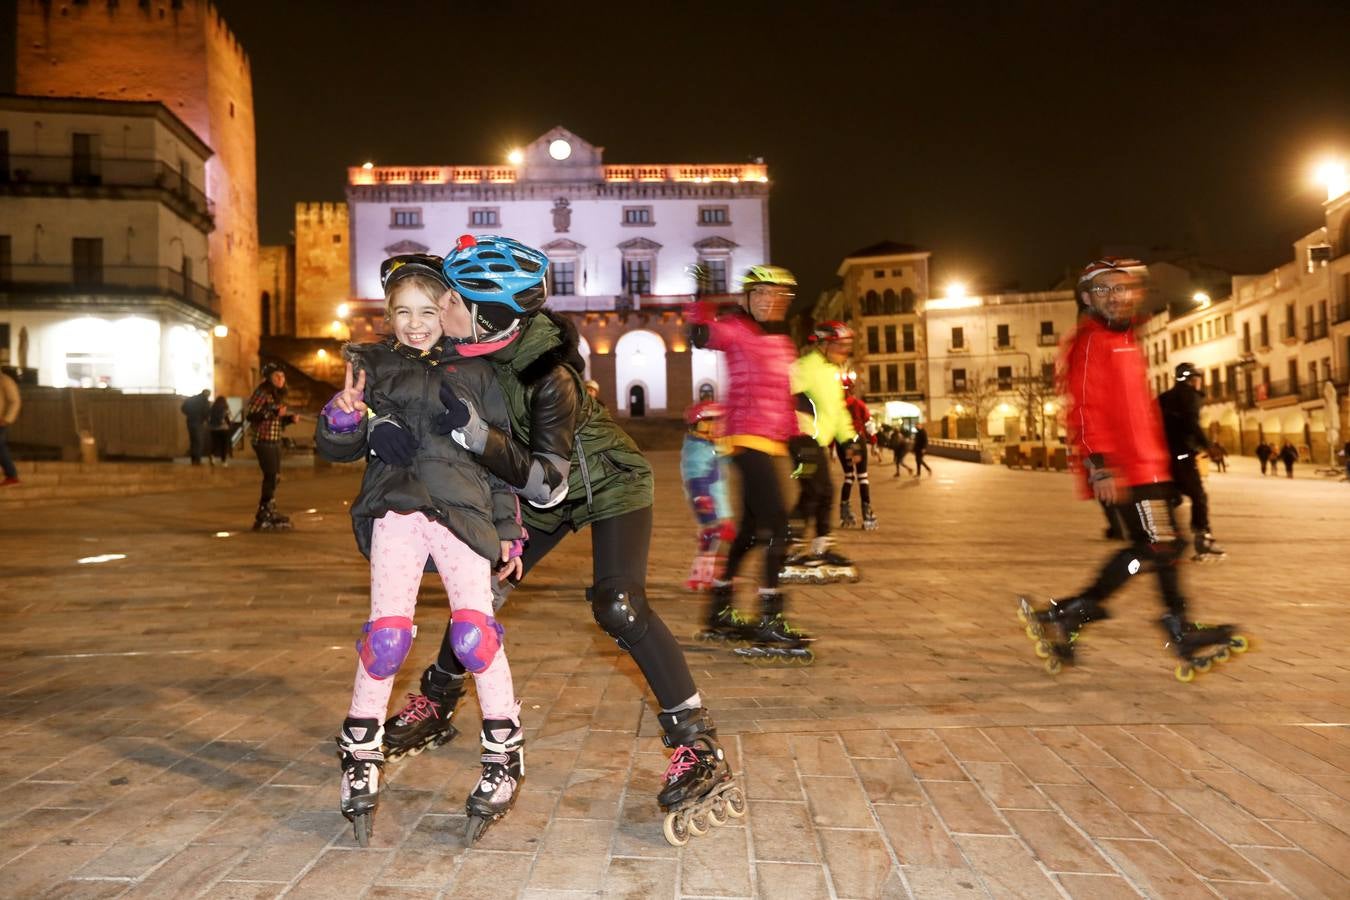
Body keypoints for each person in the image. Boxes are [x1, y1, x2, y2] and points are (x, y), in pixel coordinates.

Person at [394, 235, 743, 846]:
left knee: (619, 604)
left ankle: (696, 742)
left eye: (449, 299)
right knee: (479, 592)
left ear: (488, 313)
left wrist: (476, 435)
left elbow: (549, 483)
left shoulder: (550, 378)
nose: (439, 308)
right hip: (532, 493)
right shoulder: (464, 347)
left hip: (604, 485)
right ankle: (438, 700)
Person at [314, 253, 526, 845]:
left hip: (461, 511)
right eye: (402, 312)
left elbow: (501, 461)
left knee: (474, 634)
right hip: (397, 507)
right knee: (387, 638)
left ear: (448, 310)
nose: (414, 323)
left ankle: (503, 752)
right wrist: (347, 418)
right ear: (388, 314)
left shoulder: (479, 372)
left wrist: (509, 528)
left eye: (427, 311)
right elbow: (335, 444)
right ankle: (360, 747)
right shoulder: (372, 366)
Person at [1025, 258, 1242, 678]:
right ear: (1087, 298)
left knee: (1160, 548)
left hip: (1149, 467)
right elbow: (1084, 410)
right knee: (1157, 547)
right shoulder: (1088, 343)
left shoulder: (1126, 340)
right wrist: (1101, 465)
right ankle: (1168, 626)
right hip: (1125, 468)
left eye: (1122, 288)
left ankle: (1073, 612)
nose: (1116, 296)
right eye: (1104, 289)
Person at [687, 265, 814, 663]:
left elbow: (788, 397)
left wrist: (801, 444)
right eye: (758, 293)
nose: (766, 300)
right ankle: (769, 617)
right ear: (746, 298)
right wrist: (701, 302)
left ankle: (719, 609)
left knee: (749, 532)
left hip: (772, 442)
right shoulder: (736, 328)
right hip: (744, 436)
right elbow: (702, 337)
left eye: (774, 295)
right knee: (777, 526)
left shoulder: (784, 343)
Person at [784, 320, 861, 583]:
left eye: (848, 347)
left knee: (824, 491)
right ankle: (789, 548)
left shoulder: (831, 373)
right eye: (840, 346)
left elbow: (838, 411)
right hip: (801, 439)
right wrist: (800, 403)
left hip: (816, 441)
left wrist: (850, 440)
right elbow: (782, 390)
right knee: (814, 490)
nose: (844, 352)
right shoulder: (805, 367)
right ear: (824, 344)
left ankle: (821, 546)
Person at [1158, 362, 1224, 559]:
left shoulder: (1162, 398)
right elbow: (1192, 423)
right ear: (1191, 379)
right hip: (1183, 454)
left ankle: (1172, 536)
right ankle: (1202, 538)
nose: (1198, 382)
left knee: (1172, 496)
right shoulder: (1190, 396)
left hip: (1165, 455)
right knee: (1199, 496)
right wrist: (1207, 446)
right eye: (1196, 378)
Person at [681, 401, 735, 592]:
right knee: (714, 535)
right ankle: (706, 575)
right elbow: (696, 475)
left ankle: (708, 573)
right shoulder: (698, 449)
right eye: (708, 424)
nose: (713, 429)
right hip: (707, 500)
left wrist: (728, 449)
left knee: (718, 537)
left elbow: (723, 458)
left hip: (718, 502)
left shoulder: (707, 445)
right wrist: (702, 497)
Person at [245, 364, 297, 530]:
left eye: (282, 377)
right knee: (271, 475)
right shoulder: (262, 392)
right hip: (262, 440)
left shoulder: (277, 395)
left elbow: (276, 422)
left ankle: (269, 507)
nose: (280, 380)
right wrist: (273, 413)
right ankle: (264, 511)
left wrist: (288, 419)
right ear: (269, 378)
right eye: (276, 377)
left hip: (274, 440)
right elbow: (251, 415)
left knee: (275, 476)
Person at [839, 373, 877, 530]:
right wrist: (874, 443)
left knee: (848, 476)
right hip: (856, 441)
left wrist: (832, 449)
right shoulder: (858, 404)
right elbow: (869, 424)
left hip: (843, 442)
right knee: (862, 477)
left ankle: (845, 513)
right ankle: (867, 516)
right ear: (852, 388)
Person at [0, 368, 21, 486]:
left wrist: (7, 418)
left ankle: (11, 475)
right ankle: (11, 475)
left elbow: (15, 401)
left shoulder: (5, 381)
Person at [180, 388, 211, 465]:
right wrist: (206, 421)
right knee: (199, 441)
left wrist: (189, 414)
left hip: (190, 421)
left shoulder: (192, 399)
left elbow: (183, 408)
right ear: (207, 394)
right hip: (198, 422)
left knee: (193, 440)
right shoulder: (205, 401)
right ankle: (197, 459)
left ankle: (193, 459)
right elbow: (206, 412)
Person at [208, 396, 234, 466]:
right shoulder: (225, 408)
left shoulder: (212, 408)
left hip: (213, 429)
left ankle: (212, 457)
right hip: (224, 429)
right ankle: (224, 461)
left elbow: (209, 418)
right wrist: (230, 425)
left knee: (215, 444)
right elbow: (229, 418)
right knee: (224, 445)